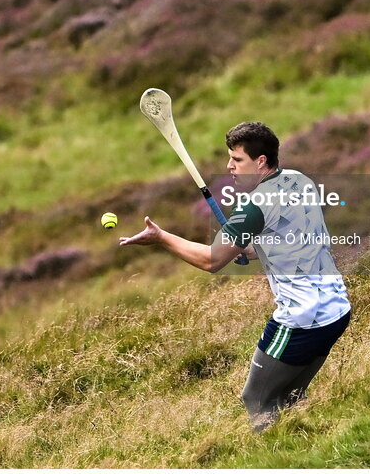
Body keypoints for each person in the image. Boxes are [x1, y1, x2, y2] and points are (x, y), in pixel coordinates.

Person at [119, 122, 351, 431]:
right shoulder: (300, 181)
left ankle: (271, 460)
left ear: (261, 161)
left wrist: (162, 238)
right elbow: (290, 237)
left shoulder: (254, 204)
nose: (229, 166)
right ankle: (305, 449)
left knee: (256, 399)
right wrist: (248, 248)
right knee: (292, 396)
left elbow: (211, 261)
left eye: (237, 159)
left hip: (301, 319)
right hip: (337, 309)